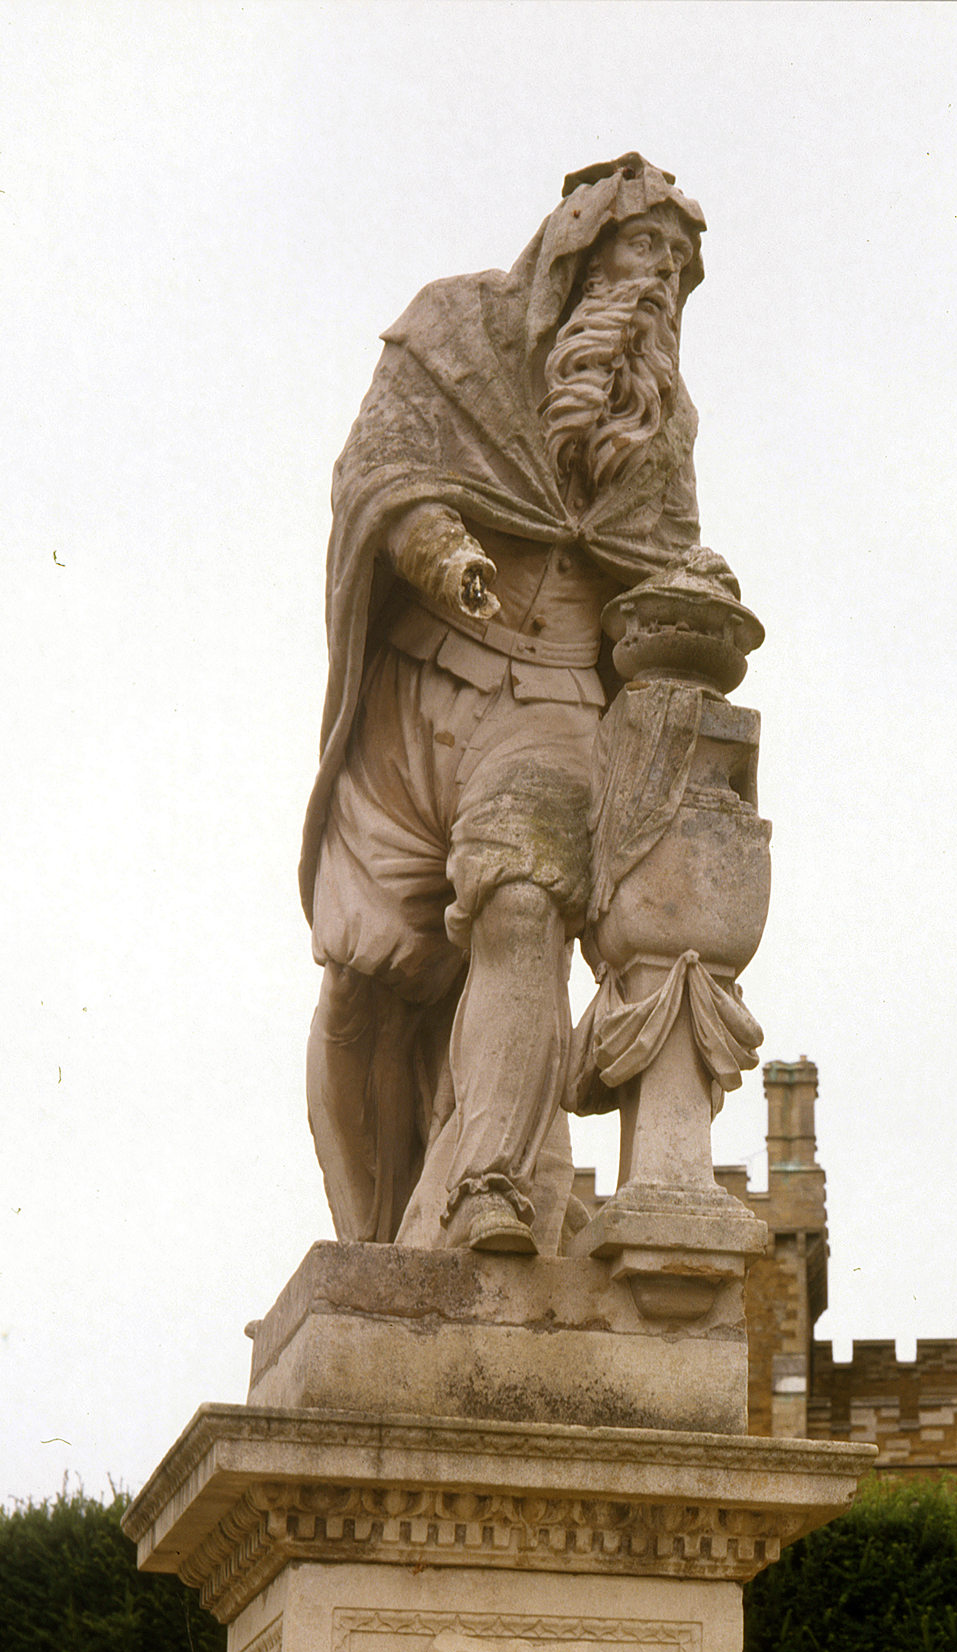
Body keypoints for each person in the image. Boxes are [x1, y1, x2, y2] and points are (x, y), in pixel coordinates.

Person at [300, 155, 708, 1253]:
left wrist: (695, 597)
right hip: (419, 701)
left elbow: (658, 565)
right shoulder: (458, 332)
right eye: (643, 247)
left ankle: (493, 1188)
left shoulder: (661, 424)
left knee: (526, 904)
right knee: (362, 991)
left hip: (556, 707)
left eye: (679, 261)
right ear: (579, 245)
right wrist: (439, 547)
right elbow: (379, 474)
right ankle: (372, 1242)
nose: (661, 277)